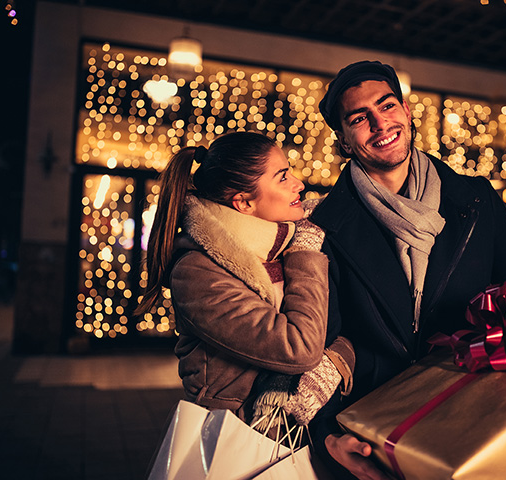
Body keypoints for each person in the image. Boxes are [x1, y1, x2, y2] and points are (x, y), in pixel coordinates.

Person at [309, 61, 506, 479]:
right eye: (359, 118)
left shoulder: (476, 201)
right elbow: (318, 348)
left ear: (407, 111)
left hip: (470, 413)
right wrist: (326, 434)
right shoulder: (323, 227)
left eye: (387, 105)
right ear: (343, 140)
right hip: (372, 429)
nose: (381, 124)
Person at [136, 131, 355, 443]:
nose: (299, 184)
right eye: (282, 177)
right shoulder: (197, 273)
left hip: (293, 436)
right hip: (237, 439)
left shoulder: (279, 250)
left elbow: (338, 327)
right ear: (244, 202)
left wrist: (336, 360)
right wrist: (305, 253)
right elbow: (301, 348)